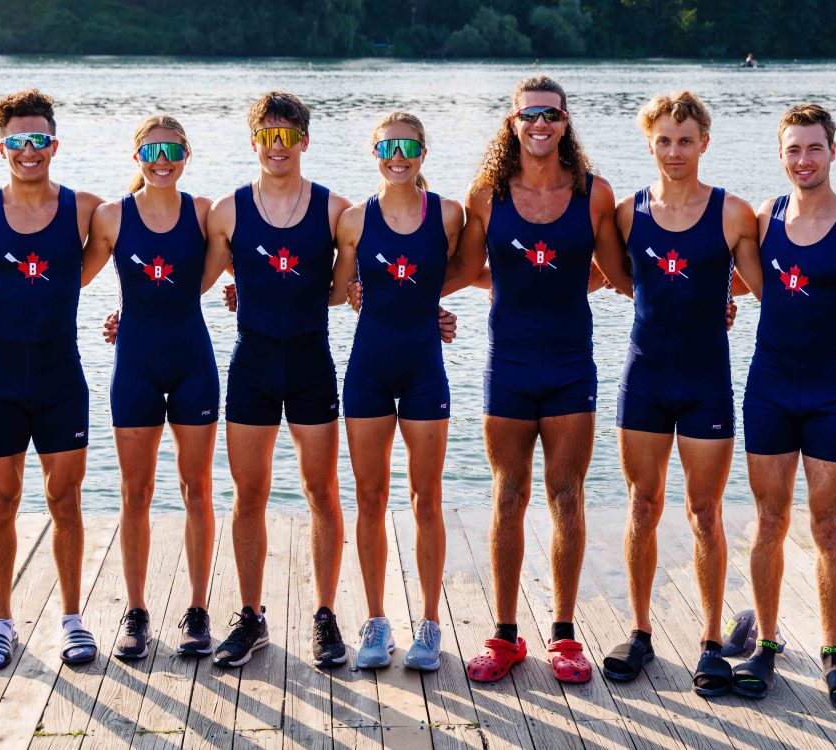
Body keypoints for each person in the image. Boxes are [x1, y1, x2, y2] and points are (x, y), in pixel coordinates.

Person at [441, 76, 630, 685]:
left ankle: (565, 634)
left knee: (566, 496)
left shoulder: (594, 194)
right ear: (513, 122)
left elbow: (622, 275)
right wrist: (388, 294)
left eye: (550, 114)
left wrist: (712, 300)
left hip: (572, 365)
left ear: (566, 121)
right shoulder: (487, 195)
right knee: (507, 496)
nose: (539, 124)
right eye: (529, 115)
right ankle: (503, 636)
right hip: (510, 368)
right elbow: (466, 269)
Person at [0, 89, 104, 670]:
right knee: (0, 501)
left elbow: (155, 224)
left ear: (55, 144)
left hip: (61, 376)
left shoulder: (85, 211)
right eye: (16, 141)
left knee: (65, 499)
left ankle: (72, 620)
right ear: (0, 146)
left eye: (38, 140)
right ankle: (2, 623)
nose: (28, 151)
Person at [731, 103, 836, 711]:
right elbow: (744, 279)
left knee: (827, 527)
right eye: (793, 149)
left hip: (830, 396)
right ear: (780, 154)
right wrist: (723, 300)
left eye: (814, 148)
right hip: (768, 388)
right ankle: (766, 643)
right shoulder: (763, 218)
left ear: (832, 152)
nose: (803, 159)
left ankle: (832, 654)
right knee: (769, 521)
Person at [599, 92, 756, 691]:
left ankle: (712, 641)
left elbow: (767, 284)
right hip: (643, 380)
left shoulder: (732, 213)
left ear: (704, 143)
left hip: (705, 384)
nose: (674, 151)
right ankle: (640, 633)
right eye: (663, 140)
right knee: (642, 505)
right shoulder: (624, 212)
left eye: (685, 140)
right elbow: (614, 278)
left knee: (704, 512)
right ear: (650, 144)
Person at [206, 91, 357, 669]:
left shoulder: (334, 211)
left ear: (304, 141)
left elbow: (346, 291)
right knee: (249, 496)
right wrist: (125, 313)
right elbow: (185, 283)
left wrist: (432, 312)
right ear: (253, 142)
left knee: (322, 493)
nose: (277, 146)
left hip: (311, 365)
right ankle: (251, 617)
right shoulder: (227, 211)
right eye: (266, 136)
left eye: (287, 136)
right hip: (253, 367)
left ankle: (324, 617)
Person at [82, 116, 218, 659]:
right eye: (151, 150)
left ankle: (198, 610)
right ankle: (135, 612)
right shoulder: (112, 217)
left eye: (173, 150)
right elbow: (70, 276)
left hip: (192, 361)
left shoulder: (206, 213)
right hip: (134, 364)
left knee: (196, 491)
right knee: (135, 493)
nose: (162, 159)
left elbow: (254, 261)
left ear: (187, 154)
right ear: (135, 155)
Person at [337, 113, 463, 671]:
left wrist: (431, 303)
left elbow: (474, 269)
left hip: (423, 371)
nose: (398, 154)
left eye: (409, 145)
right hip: (368, 369)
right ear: (374, 152)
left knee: (426, 497)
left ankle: (430, 625)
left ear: (423, 152)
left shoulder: (450, 215)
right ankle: (376, 620)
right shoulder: (352, 220)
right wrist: (249, 292)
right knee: (370, 498)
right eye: (388, 145)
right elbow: (341, 290)